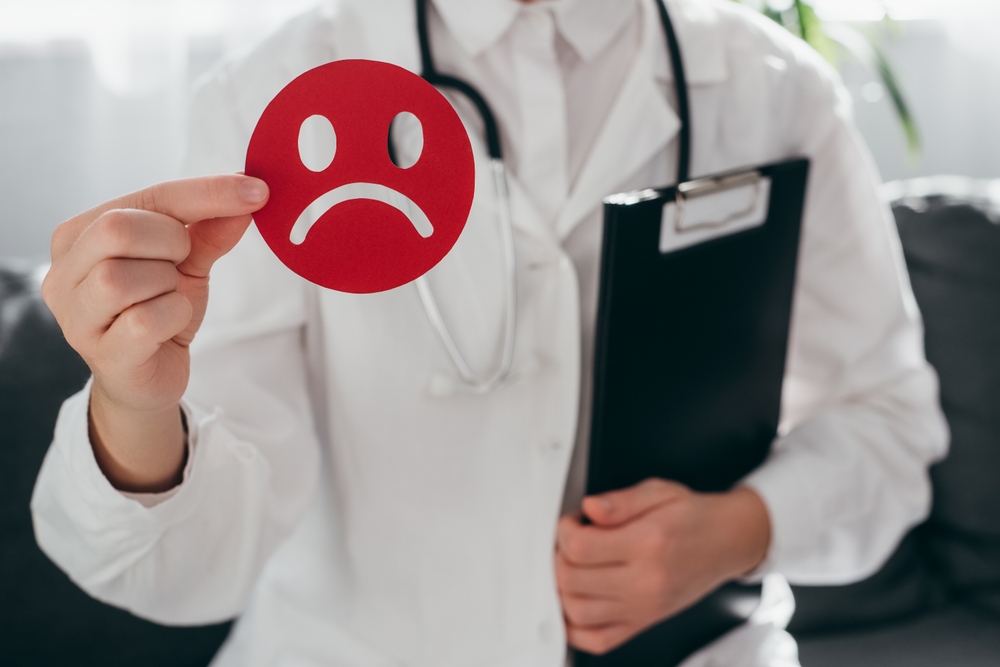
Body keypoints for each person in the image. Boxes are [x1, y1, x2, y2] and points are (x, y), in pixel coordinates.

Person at [31, 0, 949, 665]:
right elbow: (204, 556)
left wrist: (743, 528)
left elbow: (890, 426)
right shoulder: (279, 96)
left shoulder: (776, 91)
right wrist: (133, 406)